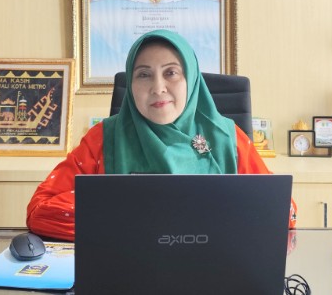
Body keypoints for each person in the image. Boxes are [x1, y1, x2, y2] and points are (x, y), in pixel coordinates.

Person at [26, 29, 297, 240]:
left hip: (214, 274)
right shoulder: (104, 139)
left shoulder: (226, 138)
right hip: (126, 275)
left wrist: (130, 217)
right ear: (131, 84)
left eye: (171, 73)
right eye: (144, 75)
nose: (158, 87)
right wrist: (139, 217)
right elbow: (39, 210)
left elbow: (283, 211)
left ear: (191, 79)